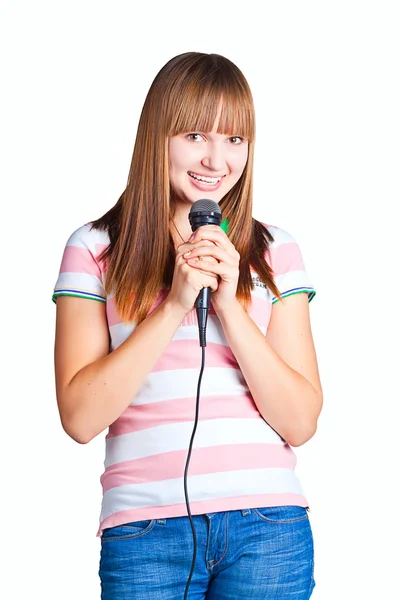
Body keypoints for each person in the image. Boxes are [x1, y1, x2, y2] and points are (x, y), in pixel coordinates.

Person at [52, 52, 322, 599]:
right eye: (196, 134)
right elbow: (80, 418)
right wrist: (173, 305)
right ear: (158, 134)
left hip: (267, 527)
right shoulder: (94, 249)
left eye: (235, 140)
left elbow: (301, 422)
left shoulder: (276, 250)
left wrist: (229, 305)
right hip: (144, 531)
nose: (216, 159)